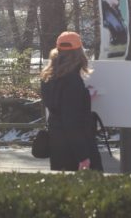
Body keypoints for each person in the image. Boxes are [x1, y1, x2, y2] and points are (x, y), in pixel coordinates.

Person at [40, 31, 103, 172]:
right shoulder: (72, 81)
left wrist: (84, 96)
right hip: (75, 150)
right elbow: (71, 122)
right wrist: (83, 157)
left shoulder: (47, 76)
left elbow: (59, 107)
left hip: (57, 144)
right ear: (78, 52)